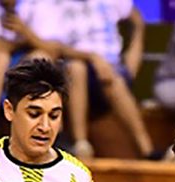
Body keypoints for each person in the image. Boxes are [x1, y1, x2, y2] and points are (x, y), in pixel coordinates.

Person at [57, 0, 158, 160]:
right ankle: (81, 145)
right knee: (77, 68)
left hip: (109, 70)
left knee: (114, 80)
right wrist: (92, 57)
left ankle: (148, 152)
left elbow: (136, 20)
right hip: (69, 67)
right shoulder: (55, 4)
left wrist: (131, 67)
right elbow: (52, 45)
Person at [0, 0, 63, 142]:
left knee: (40, 59)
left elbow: (54, 51)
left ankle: (51, 133)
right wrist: (20, 43)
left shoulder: (41, 3)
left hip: (23, 60)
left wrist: (25, 32)